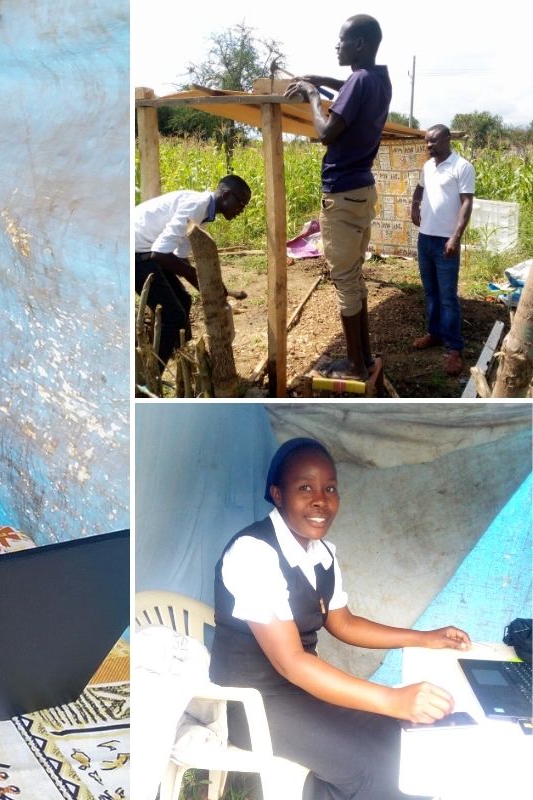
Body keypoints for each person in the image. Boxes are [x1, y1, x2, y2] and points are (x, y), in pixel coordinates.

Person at [210, 437, 470, 800]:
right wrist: (392, 698)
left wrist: (423, 637)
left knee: (398, 736)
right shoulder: (254, 553)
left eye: (329, 488)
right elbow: (292, 663)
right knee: (371, 770)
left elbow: (344, 623)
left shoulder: (322, 555)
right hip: (252, 704)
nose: (320, 499)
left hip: (301, 691)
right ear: (277, 494)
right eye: (305, 488)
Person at [287, 15, 391, 380]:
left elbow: (328, 133)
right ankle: (362, 356)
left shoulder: (360, 81)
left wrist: (314, 96)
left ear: (359, 44)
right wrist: (321, 79)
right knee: (355, 276)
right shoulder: (380, 80)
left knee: (345, 281)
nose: (338, 46)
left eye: (342, 40)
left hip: (342, 196)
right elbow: (352, 84)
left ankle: (354, 365)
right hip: (361, 191)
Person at [133, 175, 252, 366]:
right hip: (135, 253)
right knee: (173, 316)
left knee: (184, 300)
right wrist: (201, 281)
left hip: (146, 251)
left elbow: (179, 258)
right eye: (241, 203)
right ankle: (152, 376)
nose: (241, 210)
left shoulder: (203, 214)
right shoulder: (197, 206)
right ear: (226, 195)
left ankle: (182, 356)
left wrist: (208, 288)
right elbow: (160, 253)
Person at [410, 125, 474, 377]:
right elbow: (420, 188)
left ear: (447, 139)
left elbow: (467, 202)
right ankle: (434, 333)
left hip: (446, 242)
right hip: (425, 239)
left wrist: (455, 237)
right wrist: (414, 205)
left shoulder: (462, 167)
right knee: (431, 291)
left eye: (434, 141)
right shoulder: (428, 167)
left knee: (448, 296)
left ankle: (455, 348)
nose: (429, 146)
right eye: (426, 142)